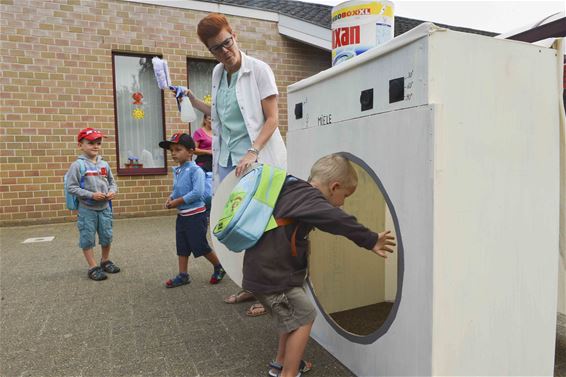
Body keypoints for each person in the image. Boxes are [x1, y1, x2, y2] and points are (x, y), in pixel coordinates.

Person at [242, 154, 396, 377]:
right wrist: (370, 239)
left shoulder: (292, 188)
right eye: (345, 195)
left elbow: (323, 219)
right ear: (334, 187)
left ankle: (281, 363)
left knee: (292, 317)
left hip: (266, 270)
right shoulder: (310, 200)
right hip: (273, 276)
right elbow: (336, 219)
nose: (343, 202)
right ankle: (289, 373)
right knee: (304, 316)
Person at [184, 12, 287, 316]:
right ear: (210, 50)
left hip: (257, 160)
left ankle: (271, 294)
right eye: (216, 48)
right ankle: (250, 284)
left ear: (234, 34)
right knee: (237, 227)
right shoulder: (218, 74)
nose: (224, 51)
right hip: (229, 162)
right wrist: (192, 98)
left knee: (263, 228)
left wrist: (253, 151)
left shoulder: (259, 70)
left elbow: (272, 120)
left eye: (227, 42)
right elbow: (219, 113)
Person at [159, 132, 226, 287]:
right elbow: (178, 190)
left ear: (190, 152)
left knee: (200, 245)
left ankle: (219, 266)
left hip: (196, 216)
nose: (174, 153)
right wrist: (170, 198)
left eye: (178, 149)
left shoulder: (196, 170)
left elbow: (197, 193)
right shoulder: (178, 170)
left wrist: (178, 201)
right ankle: (183, 275)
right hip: (182, 216)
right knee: (182, 246)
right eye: (172, 150)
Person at [66, 128, 120, 281]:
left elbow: (112, 183)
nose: (95, 146)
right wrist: (91, 195)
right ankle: (92, 266)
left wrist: (112, 192)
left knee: (107, 236)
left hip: (105, 209)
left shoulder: (104, 164)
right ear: (80, 145)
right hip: (87, 210)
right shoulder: (78, 165)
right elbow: (71, 187)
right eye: (90, 143)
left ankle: (105, 261)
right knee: (87, 238)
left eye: (98, 143)